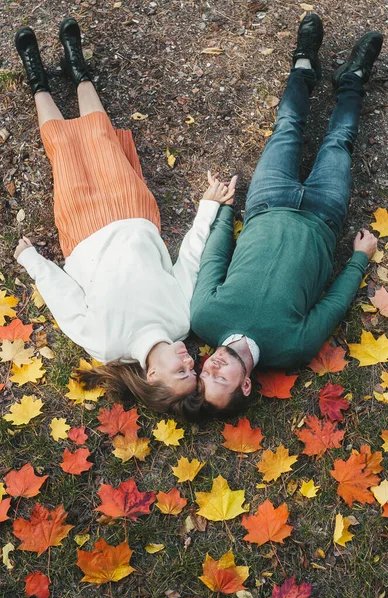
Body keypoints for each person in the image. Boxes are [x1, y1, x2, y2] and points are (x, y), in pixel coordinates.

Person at [13, 19, 237, 416]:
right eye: (194, 369)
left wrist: (33, 261)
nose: (191, 361)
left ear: (152, 376)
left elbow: (65, 300)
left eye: (181, 372)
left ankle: (37, 80)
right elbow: (190, 259)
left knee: (64, 151)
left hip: (83, 230)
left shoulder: (105, 343)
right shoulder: (180, 321)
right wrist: (207, 206)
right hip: (132, 211)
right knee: (100, 138)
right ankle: (77, 69)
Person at [190, 14, 383, 416]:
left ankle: (303, 63)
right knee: (339, 142)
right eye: (220, 379)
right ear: (245, 385)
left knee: (288, 126)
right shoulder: (292, 349)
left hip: (265, 203)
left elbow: (215, 259)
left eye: (204, 373)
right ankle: (353, 79)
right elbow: (333, 305)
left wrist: (225, 211)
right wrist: (360, 258)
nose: (212, 366)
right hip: (323, 218)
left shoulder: (205, 319)